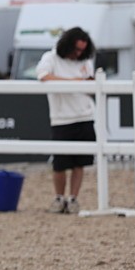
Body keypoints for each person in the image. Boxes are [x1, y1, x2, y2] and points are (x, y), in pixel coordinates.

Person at [36, 27, 96, 214]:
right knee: (60, 164)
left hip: (85, 115)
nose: (78, 53)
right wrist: (75, 82)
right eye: (76, 49)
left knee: (80, 163)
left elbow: (91, 84)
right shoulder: (51, 57)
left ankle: (73, 199)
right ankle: (59, 197)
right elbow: (43, 76)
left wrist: (86, 83)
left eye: (81, 50)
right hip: (61, 118)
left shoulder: (86, 60)